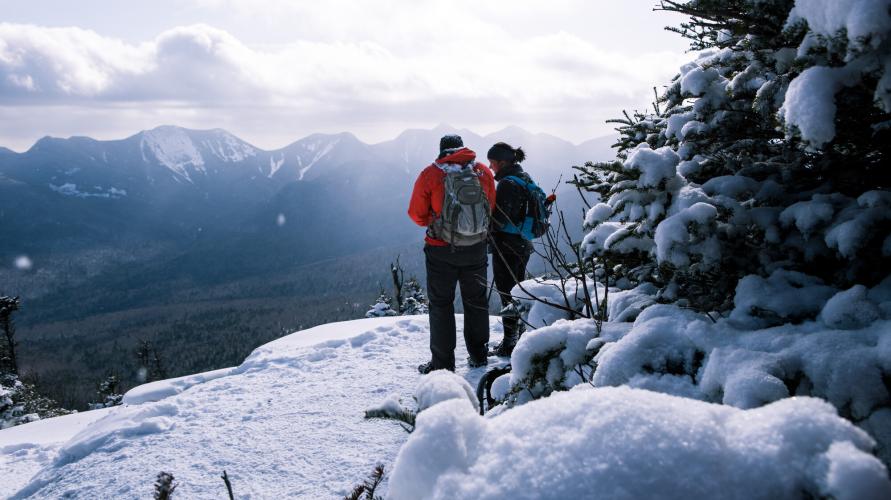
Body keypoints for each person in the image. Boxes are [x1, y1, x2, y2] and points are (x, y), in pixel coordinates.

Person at [408, 134, 496, 374]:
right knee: (476, 302)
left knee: (441, 305)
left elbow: (415, 214)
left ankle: (443, 364)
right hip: (477, 248)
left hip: (441, 249)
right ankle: (479, 355)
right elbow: (491, 206)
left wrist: (438, 223)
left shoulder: (432, 174)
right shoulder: (482, 173)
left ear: (441, 150)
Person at [487, 142, 535, 357]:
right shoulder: (523, 177)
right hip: (523, 244)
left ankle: (510, 342)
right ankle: (521, 336)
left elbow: (502, 219)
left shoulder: (507, 184)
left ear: (502, 162)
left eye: (492, 163)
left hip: (507, 246)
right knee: (518, 291)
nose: (490, 167)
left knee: (508, 293)